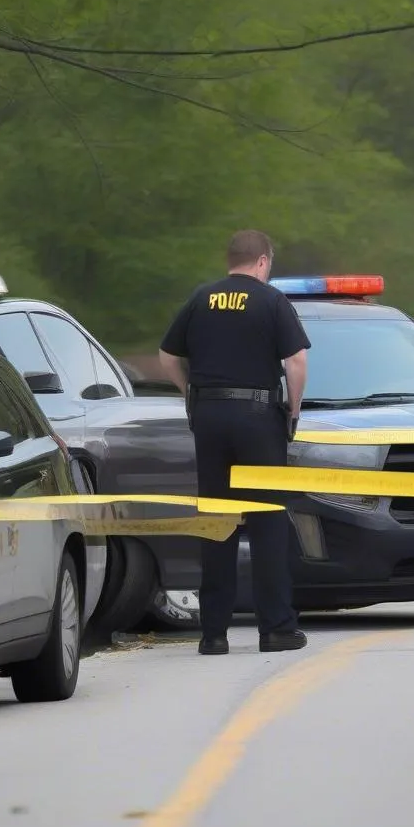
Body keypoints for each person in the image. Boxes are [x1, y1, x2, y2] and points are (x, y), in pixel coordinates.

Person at [158, 229, 311, 656]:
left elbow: (168, 356)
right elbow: (296, 361)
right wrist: (293, 409)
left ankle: (214, 634)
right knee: (267, 523)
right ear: (263, 261)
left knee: (217, 522)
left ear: (232, 259)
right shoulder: (271, 300)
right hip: (258, 417)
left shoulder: (201, 298)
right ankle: (276, 629)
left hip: (209, 416)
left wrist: (189, 392)